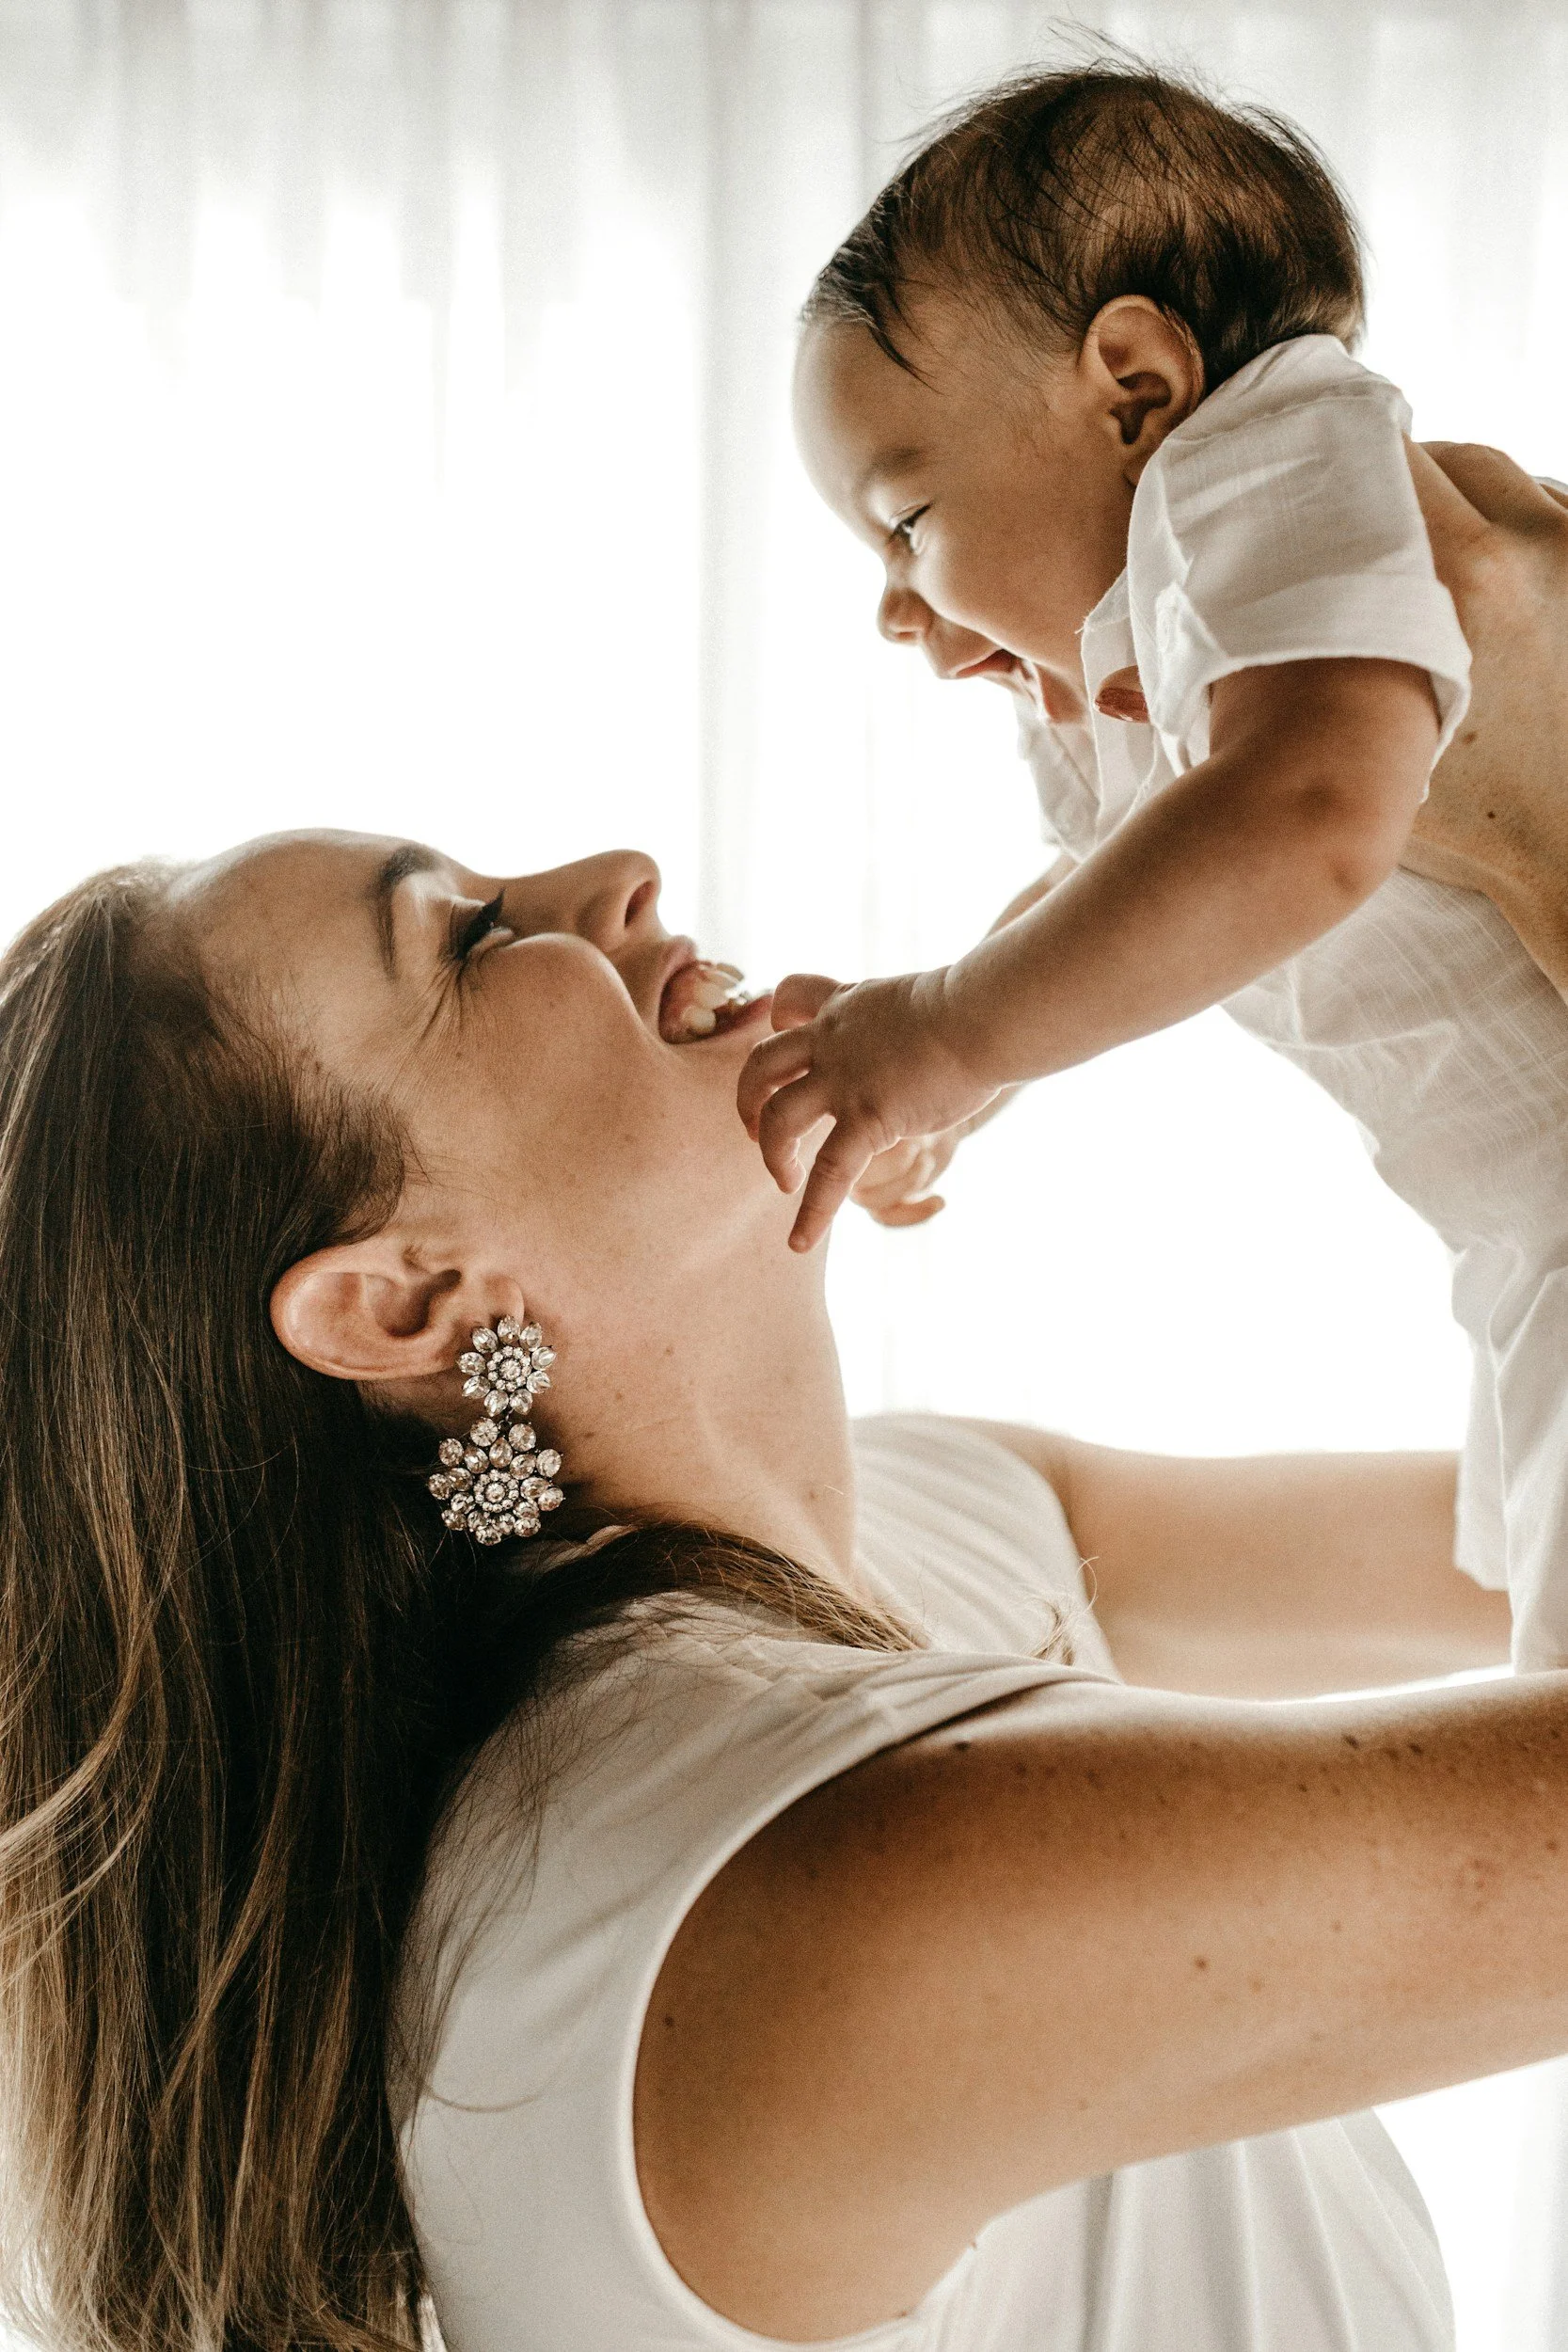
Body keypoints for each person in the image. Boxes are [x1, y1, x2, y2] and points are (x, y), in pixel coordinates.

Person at [0, 445, 1564, 2352]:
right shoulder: (777, 1881)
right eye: (477, 934)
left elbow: (1525, 1527)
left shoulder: (927, 1527)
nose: (614, 875)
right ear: (406, 1298)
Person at [739, 61, 1568, 1675]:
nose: (895, 609)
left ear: (1133, 385)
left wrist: (948, 1033)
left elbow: (1309, 816)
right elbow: (1121, 873)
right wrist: (958, 1072)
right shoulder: (1170, 633)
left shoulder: (1265, 460)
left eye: (905, 519)